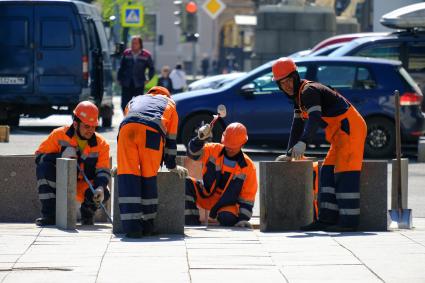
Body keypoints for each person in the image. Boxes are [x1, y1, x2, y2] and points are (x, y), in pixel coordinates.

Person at [272, 57, 367, 232]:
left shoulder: (309, 91)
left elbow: (314, 118)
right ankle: (326, 220)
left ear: (296, 76)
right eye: (282, 83)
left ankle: (349, 222)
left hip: (350, 130)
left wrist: (303, 142)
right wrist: (289, 152)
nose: (287, 85)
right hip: (339, 135)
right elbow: (298, 125)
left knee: (345, 173)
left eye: (289, 80)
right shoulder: (298, 97)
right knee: (327, 173)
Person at [117, 86, 188, 238]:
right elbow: (171, 140)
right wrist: (171, 165)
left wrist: (121, 161)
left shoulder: (134, 100)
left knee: (128, 176)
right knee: (148, 177)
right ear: (167, 95)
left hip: (126, 130)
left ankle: (132, 229)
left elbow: (126, 124)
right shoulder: (170, 105)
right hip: (152, 133)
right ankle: (147, 227)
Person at [35, 101, 111, 226]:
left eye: (94, 126)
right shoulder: (58, 135)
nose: (91, 130)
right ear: (75, 124)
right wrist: (60, 157)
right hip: (61, 185)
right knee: (44, 168)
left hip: (85, 187)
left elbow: (103, 170)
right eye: (87, 126)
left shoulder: (101, 144)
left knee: (105, 191)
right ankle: (49, 215)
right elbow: (39, 157)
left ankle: (87, 215)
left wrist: (100, 187)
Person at [185, 122, 258, 228]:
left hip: (227, 204)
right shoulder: (213, 149)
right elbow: (192, 153)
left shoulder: (248, 167)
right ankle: (191, 223)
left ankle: (227, 220)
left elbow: (247, 198)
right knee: (184, 183)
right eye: (227, 145)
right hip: (207, 194)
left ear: (243, 144)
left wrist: (242, 220)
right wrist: (199, 139)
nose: (229, 149)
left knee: (227, 217)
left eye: (233, 147)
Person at [117, 35, 155, 112]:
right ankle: (127, 118)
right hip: (126, 83)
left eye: (135, 43)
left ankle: (136, 120)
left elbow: (151, 68)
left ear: (140, 44)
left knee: (139, 104)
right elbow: (121, 67)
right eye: (132, 43)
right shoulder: (126, 53)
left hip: (139, 83)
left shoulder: (146, 55)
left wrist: (148, 78)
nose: (133, 45)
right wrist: (119, 78)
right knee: (124, 104)